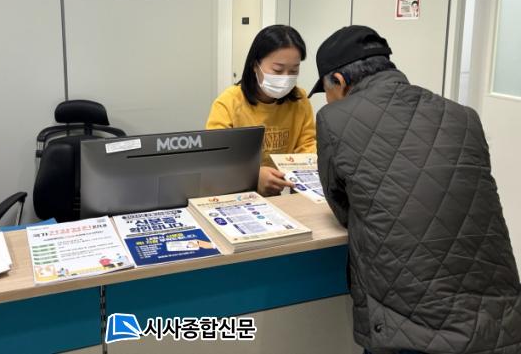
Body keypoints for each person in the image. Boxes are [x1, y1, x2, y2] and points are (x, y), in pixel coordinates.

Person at [310, 25, 521, 354]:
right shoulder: (464, 115)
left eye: (326, 90)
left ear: (338, 81)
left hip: (409, 325)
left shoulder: (334, 119)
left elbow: (344, 209)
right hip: (500, 316)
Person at [206, 25, 316, 196]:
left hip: (279, 196)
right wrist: (252, 176)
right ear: (255, 65)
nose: (286, 78)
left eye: (294, 70)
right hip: (237, 194)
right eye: (278, 70)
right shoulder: (228, 103)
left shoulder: (299, 100)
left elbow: (307, 147)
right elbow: (215, 160)